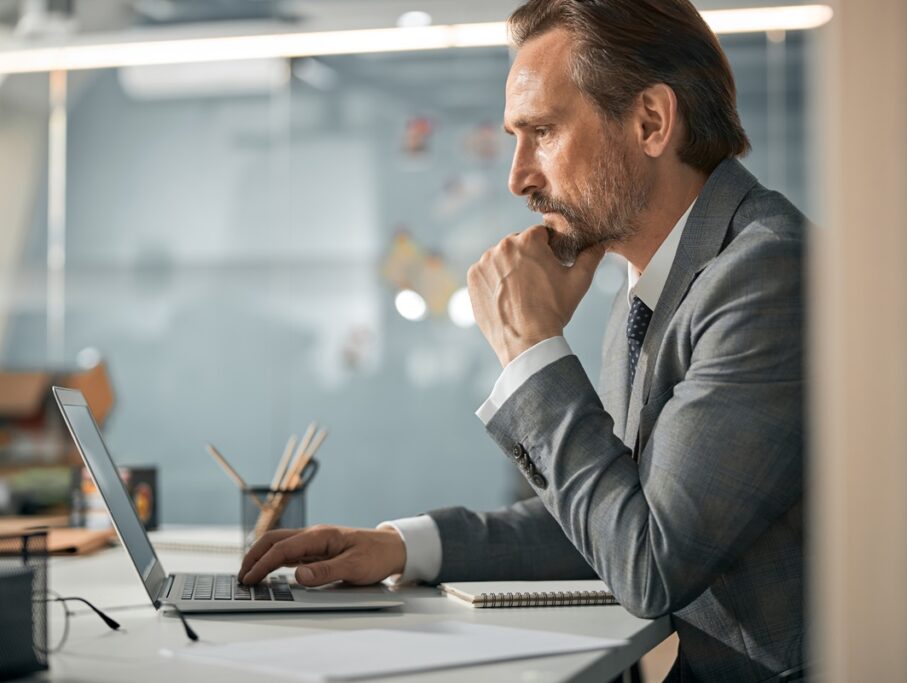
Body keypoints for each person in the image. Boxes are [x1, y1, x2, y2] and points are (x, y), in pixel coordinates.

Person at [239, 1, 805, 679]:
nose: (518, 177)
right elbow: (608, 520)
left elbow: (650, 562)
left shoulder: (763, 274)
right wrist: (400, 546)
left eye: (542, 131)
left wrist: (532, 347)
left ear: (651, 121)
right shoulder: (653, 284)